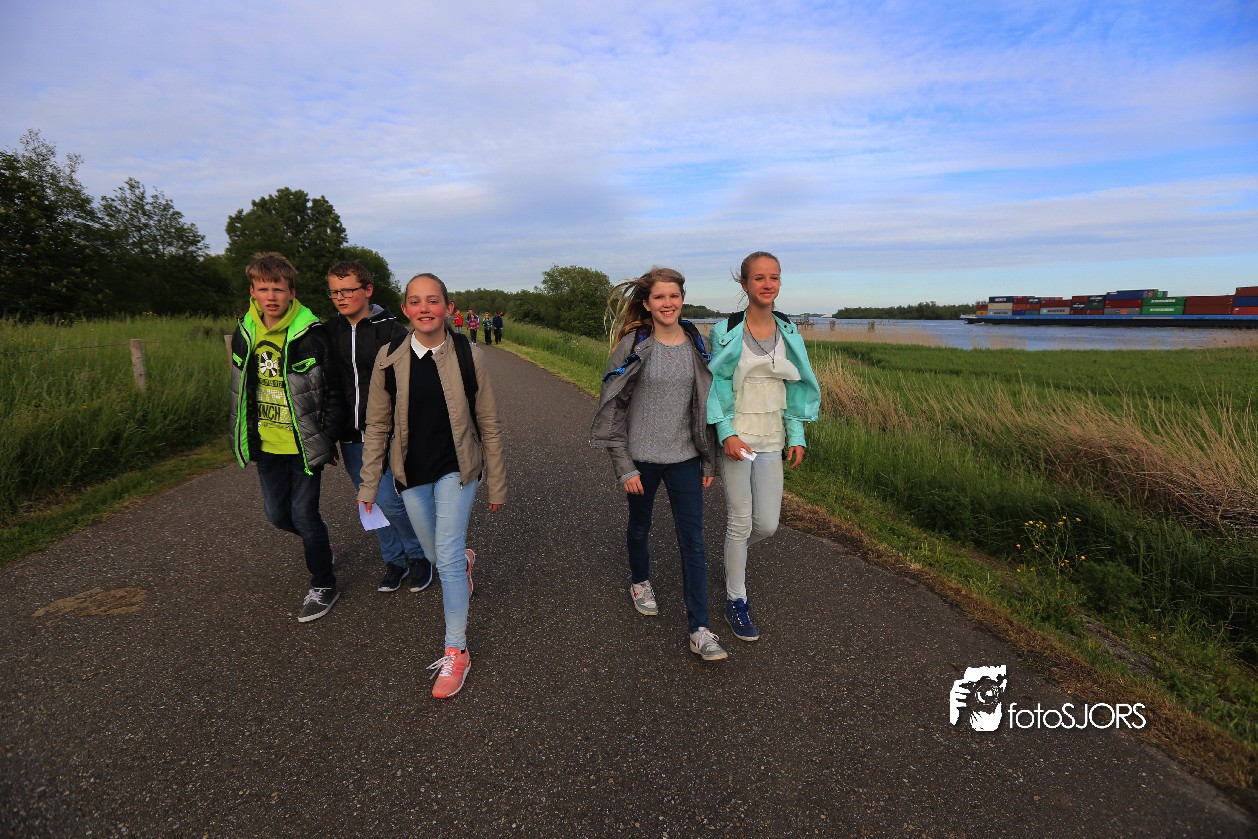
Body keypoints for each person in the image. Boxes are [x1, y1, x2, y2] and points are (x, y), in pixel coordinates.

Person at [358, 273, 507, 699]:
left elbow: (489, 422)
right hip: (410, 472)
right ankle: (463, 562)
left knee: (445, 558)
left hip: (457, 468)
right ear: (405, 309)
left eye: (433, 300)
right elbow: (377, 425)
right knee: (433, 553)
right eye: (415, 301)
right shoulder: (388, 357)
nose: (424, 308)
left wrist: (497, 483)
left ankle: (456, 650)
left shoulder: (469, 355)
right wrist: (369, 484)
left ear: (448, 307)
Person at [591, 267, 726, 662]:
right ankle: (640, 580)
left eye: (674, 296)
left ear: (682, 299)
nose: (668, 303)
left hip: (685, 458)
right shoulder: (635, 345)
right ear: (647, 304)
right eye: (660, 297)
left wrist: (709, 462)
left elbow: (706, 404)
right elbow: (613, 406)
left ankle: (699, 629)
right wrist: (624, 466)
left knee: (693, 540)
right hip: (642, 459)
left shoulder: (698, 343)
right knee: (640, 525)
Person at [706, 251, 820, 642]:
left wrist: (797, 434)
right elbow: (715, 385)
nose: (767, 284)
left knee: (767, 525)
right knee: (740, 521)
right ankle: (735, 600)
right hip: (737, 436)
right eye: (759, 277)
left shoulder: (789, 330)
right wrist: (726, 433)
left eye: (774, 277)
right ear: (744, 283)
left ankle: (731, 559)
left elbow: (796, 384)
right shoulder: (725, 330)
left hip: (772, 436)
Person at [230, 252, 345, 622]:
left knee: (304, 514)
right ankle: (319, 544)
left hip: (303, 445)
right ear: (252, 292)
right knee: (277, 515)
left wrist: (326, 438)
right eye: (263, 289)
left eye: (278, 289)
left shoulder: (312, 334)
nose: (271, 297)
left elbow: (333, 391)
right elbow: (240, 390)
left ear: (292, 292)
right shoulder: (244, 332)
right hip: (266, 445)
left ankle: (324, 584)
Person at [324, 260, 433, 593]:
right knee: (368, 502)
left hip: (385, 433)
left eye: (348, 290)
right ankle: (395, 561)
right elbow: (325, 384)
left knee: (389, 500)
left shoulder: (392, 331)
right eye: (335, 292)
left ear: (368, 290)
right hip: (350, 434)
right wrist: (327, 433)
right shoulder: (329, 331)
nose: (341, 298)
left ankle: (420, 554)